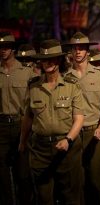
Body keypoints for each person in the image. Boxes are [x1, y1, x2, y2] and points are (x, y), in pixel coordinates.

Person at [19, 39, 84, 204]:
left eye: (51, 59)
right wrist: (22, 142)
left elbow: (79, 118)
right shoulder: (33, 87)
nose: (47, 63)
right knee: (43, 196)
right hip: (40, 150)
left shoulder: (72, 85)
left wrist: (68, 139)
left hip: (67, 149)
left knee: (70, 196)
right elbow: (28, 117)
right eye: (44, 59)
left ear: (59, 60)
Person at [63, 32, 100, 205]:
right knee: (76, 181)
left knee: (96, 179)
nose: (77, 52)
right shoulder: (65, 77)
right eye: (74, 48)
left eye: (81, 48)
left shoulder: (99, 75)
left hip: (94, 131)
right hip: (74, 134)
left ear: (87, 52)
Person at [0, 32, 36, 205]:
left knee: (23, 174)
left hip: (21, 125)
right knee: (3, 175)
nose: (3, 50)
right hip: (1, 127)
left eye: (6, 47)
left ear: (13, 48)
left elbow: (33, 104)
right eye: (0, 47)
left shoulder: (26, 72)